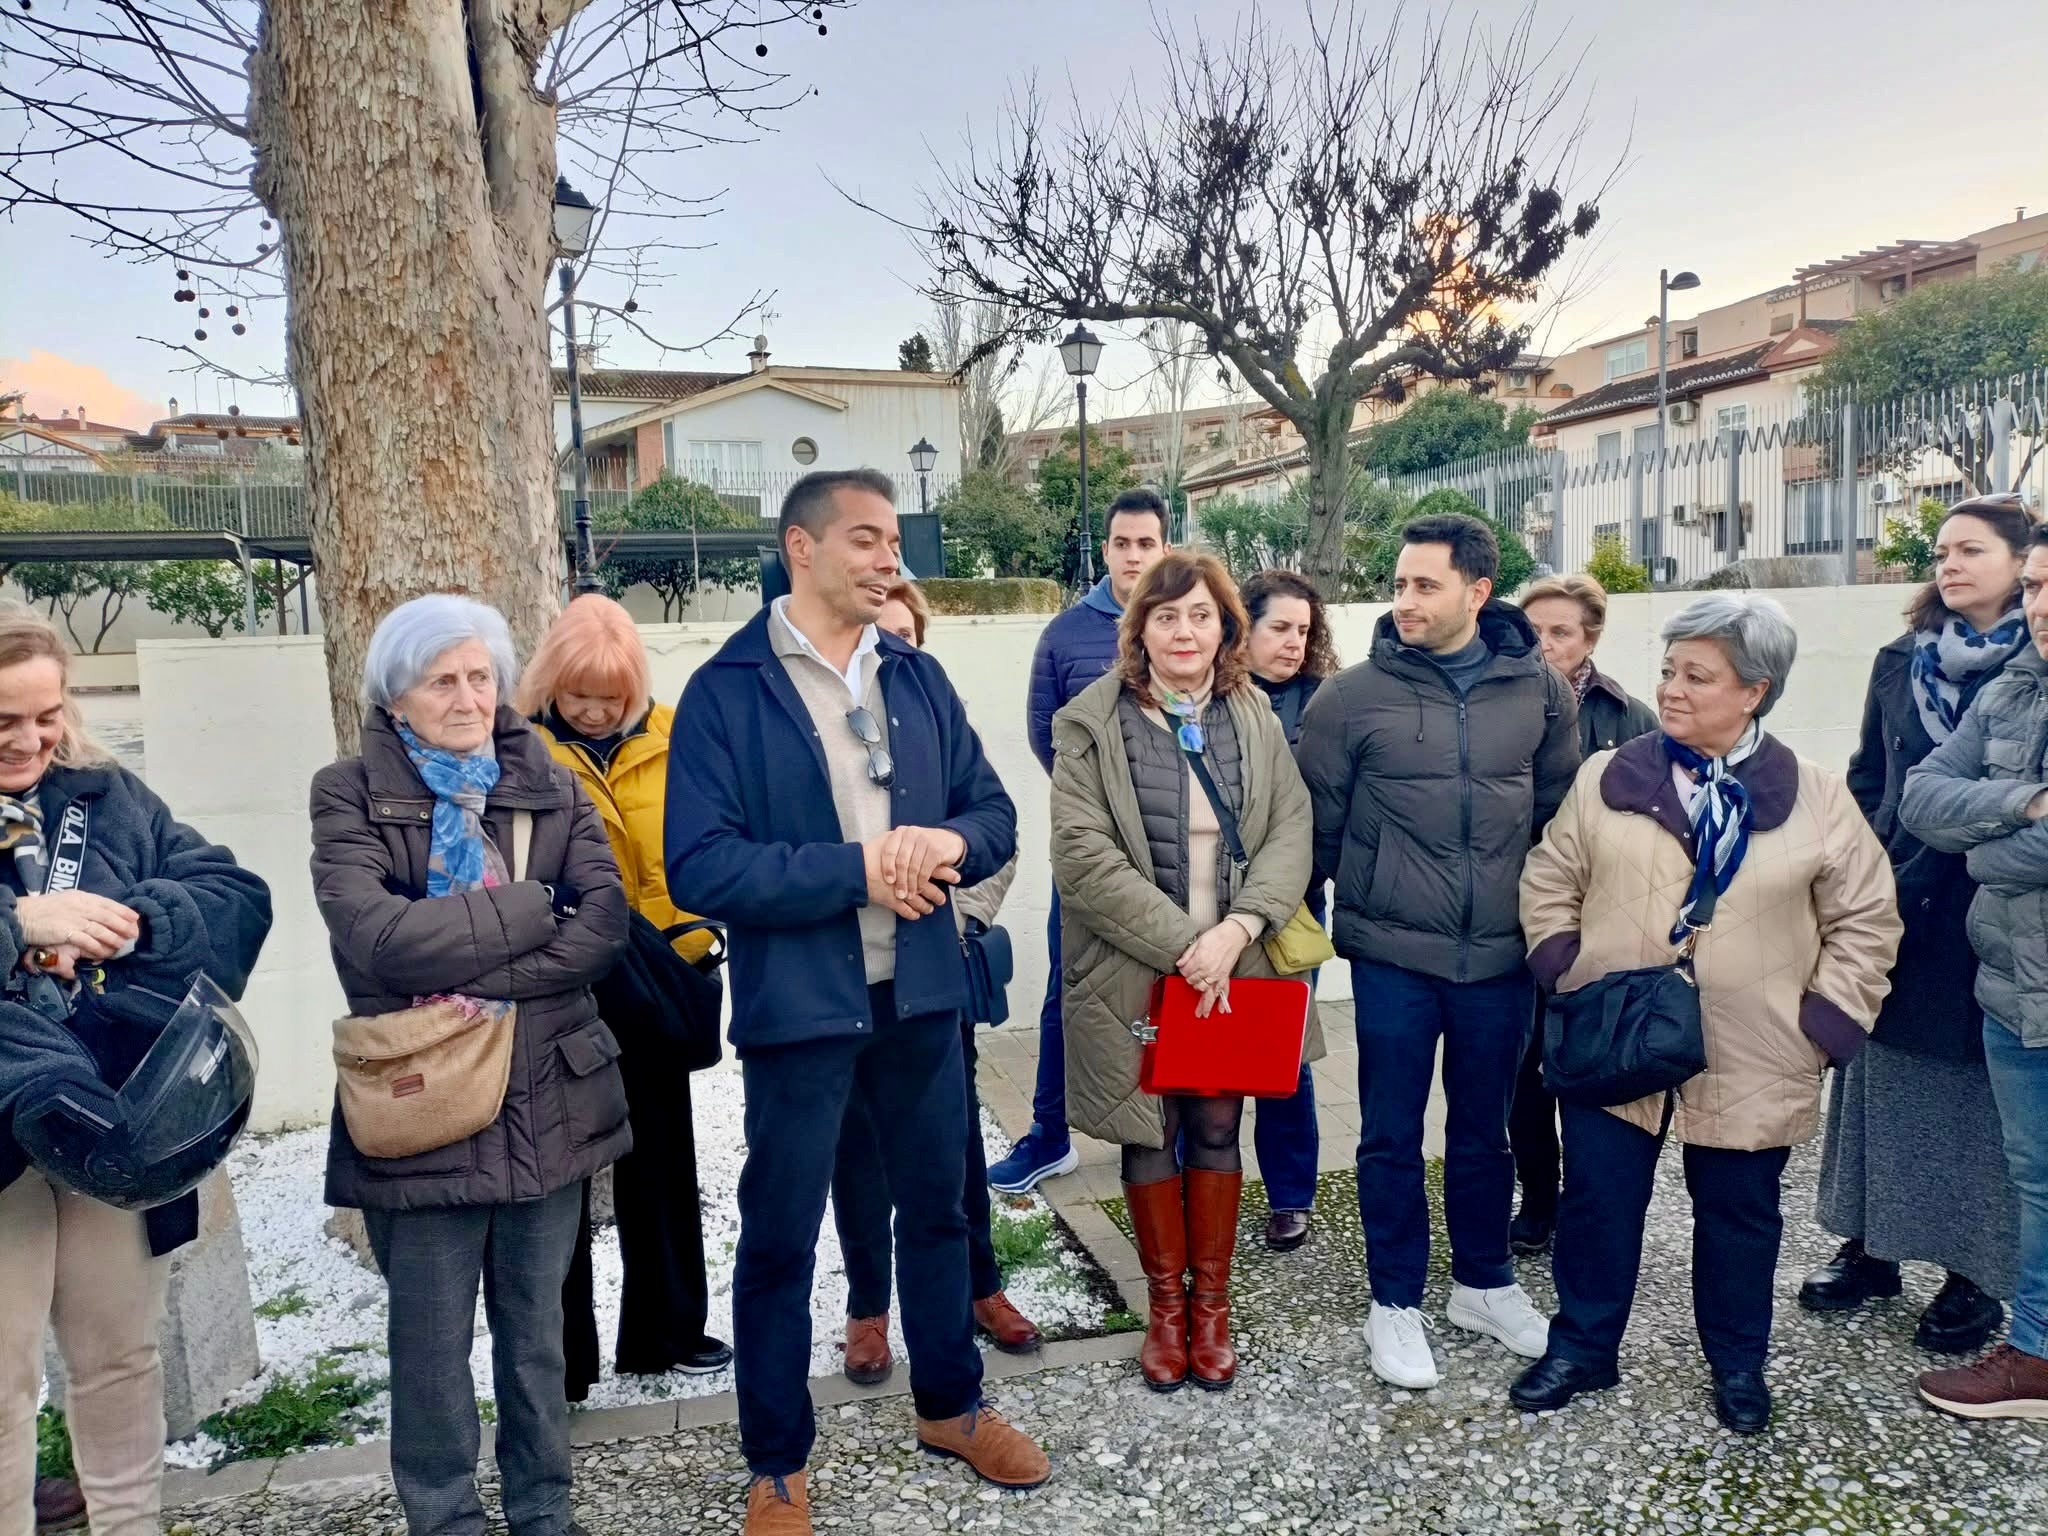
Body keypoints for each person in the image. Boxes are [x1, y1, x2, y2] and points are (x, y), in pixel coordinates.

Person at [664, 470, 1047, 1536]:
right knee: (781, 1238)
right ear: (800, 546)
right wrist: (856, 872)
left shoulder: (914, 679)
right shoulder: (726, 691)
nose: (891, 561)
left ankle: (951, 1407)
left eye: (893, 541)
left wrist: (952, 844)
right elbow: (698, 867)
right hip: (801, 1012)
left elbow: (994, 810)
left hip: (922, 997)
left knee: (938, 1212)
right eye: (868, 540)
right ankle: (776, 1464)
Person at [1512, 594, 1901, 1434]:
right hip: (1616, 1027)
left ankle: (1737, 1364)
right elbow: (1551, 879)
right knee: (1598, 1201)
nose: (1674, 690)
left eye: (1699, 676)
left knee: (1740, 1215)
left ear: (1754, 691)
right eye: (1669, 671)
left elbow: (1867, 918)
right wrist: (1564, 967)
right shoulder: (1608, 777)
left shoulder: (1817, 799)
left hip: (1758, 1044)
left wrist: (1827, 1023)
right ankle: (1582, 1347)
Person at [311, 594, 630, 1536]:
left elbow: (605, 924)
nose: (465, 697)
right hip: (424, 1106)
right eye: (440, 680)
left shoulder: (553, 783)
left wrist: (463, 950)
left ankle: (544, 1513)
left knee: (536, 1341)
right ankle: (445, 1519)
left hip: (547, 1101)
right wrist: (534, 910)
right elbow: (376, 940)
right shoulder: (348, 793)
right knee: (431, 1345)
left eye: (481, 677)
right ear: (395, 697)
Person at [0, 604, 272, 1536]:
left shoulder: (107, 794)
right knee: (1, 1387)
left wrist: (137, 919)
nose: (34, 740)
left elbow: (233, 894)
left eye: (48, 713)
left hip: (115, 1116)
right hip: (5, 1142)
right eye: (6, 723)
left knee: (119, 1354)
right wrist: (21, 927)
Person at [1295, 514, 1579, 1391]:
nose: (1405, 600)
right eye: (1401, 583)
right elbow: (1320, 831)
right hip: (1391, 957)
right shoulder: (1348, 699)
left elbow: (1560, 819)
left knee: (1485, 1131)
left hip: (1499, 956)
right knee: (1386, 1135)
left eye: (1426, 584)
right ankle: (1394, 1302)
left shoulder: (1539, 690)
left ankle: (1485, 1283)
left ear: (1478, 592)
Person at [1051, 552, 1315, 1393]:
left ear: (1225, 626)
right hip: (1138, 964)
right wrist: (1184, 946)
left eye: (1201, 615)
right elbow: (1081, 856)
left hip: (1233, 963)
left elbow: (1290, 830)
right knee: (1147, 1131)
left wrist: (1237, 929)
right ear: (1139, 630)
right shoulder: (1089, 722)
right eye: (1166, 617)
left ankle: (1213, 1311)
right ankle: (1166, 1310)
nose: (1185, 631)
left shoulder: (1255, 715)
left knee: (1215, 1126)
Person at [1808, 495, 2035, 1357]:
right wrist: (1865, 867)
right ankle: (1868, 1248)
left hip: (1990, 906)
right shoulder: (1902, 658)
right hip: (1898, 902)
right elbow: (1872, 775)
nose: (1950, 563)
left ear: (2021, 564)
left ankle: (1971, 1274)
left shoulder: (2031, 669)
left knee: (1978, 1098)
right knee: (1877, 1081)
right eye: (1942, 551)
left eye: (1972, 549)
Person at [828, 580, 1043, 1386]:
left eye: (903, 635)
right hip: (849, 981)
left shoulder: (939, 725)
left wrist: (961, 923)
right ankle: (867, 1309)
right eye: (875, 633)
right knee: (859, 1152)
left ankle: (980, 1288)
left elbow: (999, 834)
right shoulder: (825, 728)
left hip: (936, 974)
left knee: (953, 1146)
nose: (888, 647)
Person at [519, 595, 734, 1396]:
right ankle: (563, 1360)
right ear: (553, 684)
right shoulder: (521, 752)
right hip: (561, 983)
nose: (598, 711)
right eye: (581, 695)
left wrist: (698, 931)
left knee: (662, 1159)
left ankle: (666, 1330)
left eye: (613, 696)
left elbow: (712, 838)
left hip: (655, 975)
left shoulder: (679, 736)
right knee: (558, 1175)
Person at [1902, 520, 2048, 1420]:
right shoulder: (2011, 693)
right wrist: (2027, 802)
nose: (2041, 605)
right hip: (2012, 992)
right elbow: (1922, 796)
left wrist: (1993, 847)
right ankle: (2035, 1356)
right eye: (2036, 586)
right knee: (2037, 1180)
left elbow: (1989, 858)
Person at [990, 487, 1171, 1195]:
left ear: (1164, 546)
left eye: (1146, 543)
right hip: (1090, 854)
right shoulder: (1066, 636)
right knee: (1073, 990)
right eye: (1122, 543)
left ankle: (1175, 1133)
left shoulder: (1193, 623)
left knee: (1174, 995)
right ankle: (1049, 1135)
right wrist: (1098, 818)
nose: (1133, 556)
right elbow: (1048, 739)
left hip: (1176, 855)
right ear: (1106, 549)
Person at [1508, 574, 1659, 1257]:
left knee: (1593, 1072)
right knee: (1524, 1079)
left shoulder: (1630, 718)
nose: (1544, 645)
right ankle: (1539, 1198)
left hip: (1603, 925)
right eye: (1533, 630)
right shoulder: (1500, 706)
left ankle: (1591, 1206)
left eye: (1560, 632)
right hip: (1516, 920)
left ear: (1590, 639)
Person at [1239, 568, 1340, 1252]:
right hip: (1206, 906)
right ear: (1240, 627)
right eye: (1279, 627)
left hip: (1295, 907)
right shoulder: (1208, 699)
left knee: (1281, 1054)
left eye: (1305, 630)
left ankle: (1289, 1196)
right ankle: (1197, 1179)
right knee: (1200, 1049)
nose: (1294, 643)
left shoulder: (1329, 703)